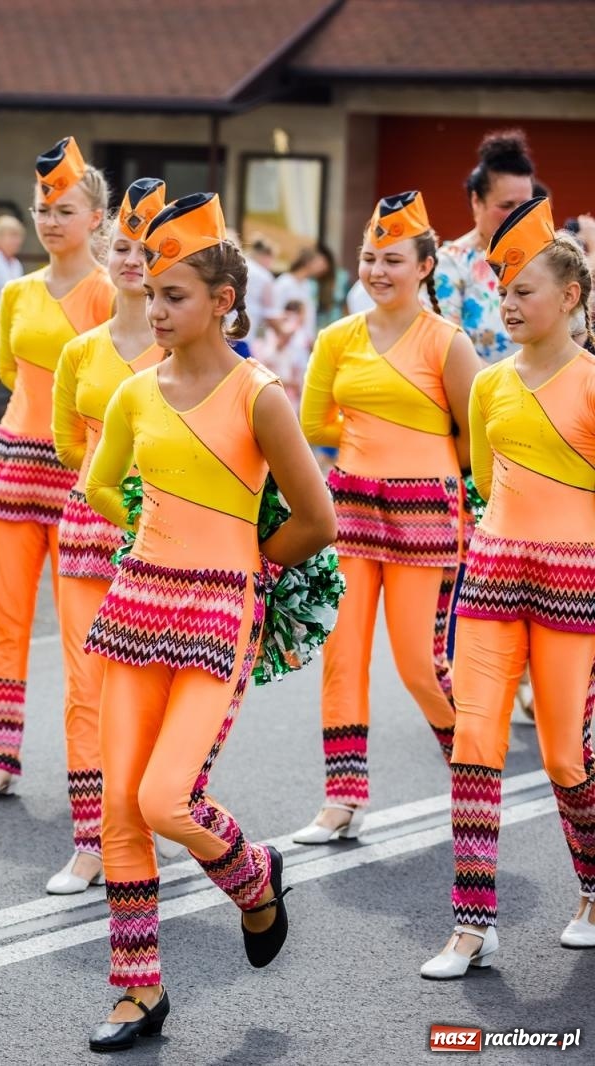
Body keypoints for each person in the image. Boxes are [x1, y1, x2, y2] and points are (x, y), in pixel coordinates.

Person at [82, 193, 335, 1052]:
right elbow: (96, 485)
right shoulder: (134, 393)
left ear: (224, 300)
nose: (155, 310)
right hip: (137, 605)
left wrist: (250, 565)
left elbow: (316, 517)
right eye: (151, 293)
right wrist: (151, 535)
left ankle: (255, 876)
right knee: (121, 806)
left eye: (175, 295)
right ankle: (135, 991)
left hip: (221, 609)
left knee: (165, 798)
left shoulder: (259, 396)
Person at [422, 199, 595, 977]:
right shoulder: (488, 386)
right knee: (475, 742)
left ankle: (591, 889)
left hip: (574, 586)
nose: (509, 303)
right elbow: (486, 483)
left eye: (525, 290)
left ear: (570, 297)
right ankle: (471, 924)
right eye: (503, 289)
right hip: (491, 577)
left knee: (564, 755)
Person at [294, 192, 481, 844]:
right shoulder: (336, 338)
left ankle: (472, 762)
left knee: (417, 662)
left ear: (425, 266)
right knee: (341, 654)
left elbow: (475, 434)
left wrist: (428, 466)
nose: (376, 269)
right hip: (350, 506)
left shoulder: (447, 342)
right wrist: (365, 443)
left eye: (392, 259)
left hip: (426, 515)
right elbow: (311, 424)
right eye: (369, 257)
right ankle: (342, 797)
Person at [0, 138, 114, 803]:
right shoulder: (17, 293)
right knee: (2, 618)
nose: (52, 220)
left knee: (84, 633)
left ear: (96, 220)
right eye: (44, 208)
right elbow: (6, 371)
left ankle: (98, 767)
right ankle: (0, 756)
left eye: (66, 209)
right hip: (12, 464)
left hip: (81, 474)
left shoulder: (110, 294)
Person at [45, 177, 168, 895]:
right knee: (85, 689)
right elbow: (69, 447)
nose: (133, 261)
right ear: (105, 249)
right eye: (122, 246)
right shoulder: (81, 353)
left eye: (149, 250)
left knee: (149, 692)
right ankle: (91, 840)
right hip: (90, 532)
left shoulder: (184, 344)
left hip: (166, 541)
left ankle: (148, 820)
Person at [434, 130, 537, 364]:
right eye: (506, 205)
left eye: (526, 205)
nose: (518, 214)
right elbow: (444, 348)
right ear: (476, 201)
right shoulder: (451, 263)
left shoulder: (545, 257)